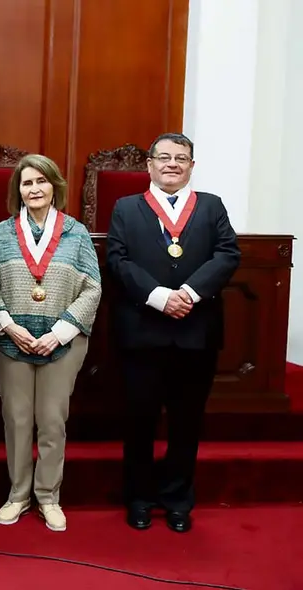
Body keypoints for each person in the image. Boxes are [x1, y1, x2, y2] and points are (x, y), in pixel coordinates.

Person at [106, 132, 240, 533]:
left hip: (195, 332)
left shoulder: (211, 206)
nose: (171, 164)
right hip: (143, 332)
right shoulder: (126, 208)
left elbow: (228, 253)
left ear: (191, 166)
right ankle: (140, 498)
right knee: (140, 420)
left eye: (180, 158)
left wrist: (190, 293)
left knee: (186, 421)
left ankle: (178, 499)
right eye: (163, 157)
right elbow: (117, 258)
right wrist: (159, 295)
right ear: (149, 165)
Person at [0, 154, 101, 532]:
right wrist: (8, 325)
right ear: (17, 190)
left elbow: (92, 288)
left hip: (61, 342)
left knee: (52, 421)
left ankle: (48, 496)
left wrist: (60, 331)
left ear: (55, 187)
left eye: (41, 182)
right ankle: (18, 494)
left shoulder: (77, 233)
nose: (34, 189)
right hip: (10, 340)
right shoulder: (3, 233)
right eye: (26, 183)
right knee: (17, 419)